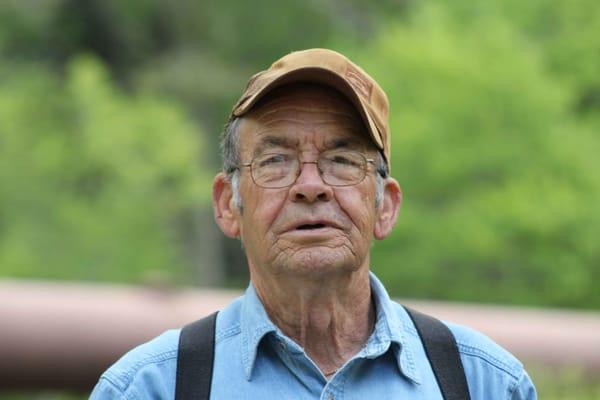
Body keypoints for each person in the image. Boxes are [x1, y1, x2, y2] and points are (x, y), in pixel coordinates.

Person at [90, 48, 537, 399]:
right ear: (228, 205)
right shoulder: (152, 388)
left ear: (385, 207)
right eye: (275, 160)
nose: (309, 186)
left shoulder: (485, 385)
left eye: (341, 161)